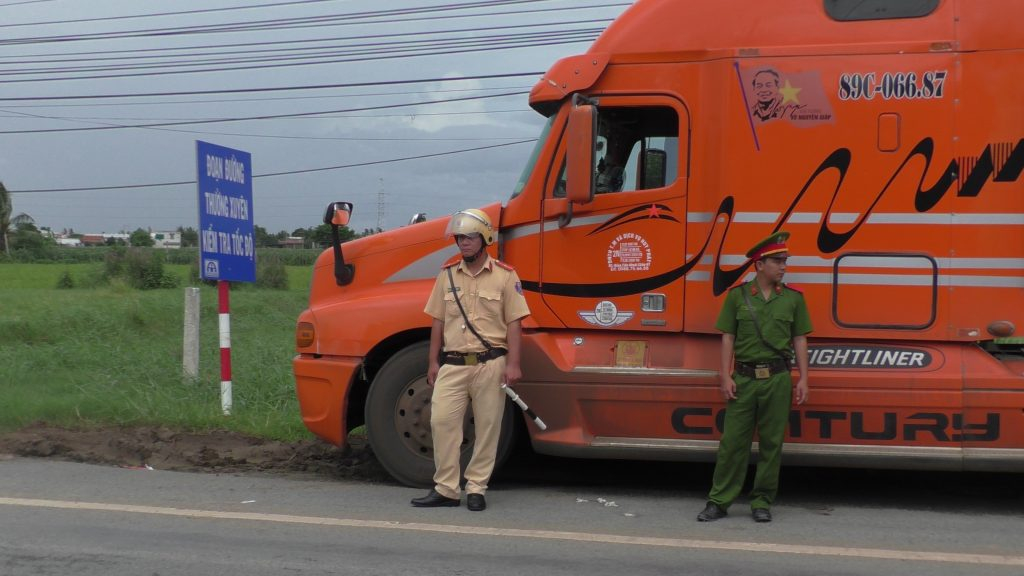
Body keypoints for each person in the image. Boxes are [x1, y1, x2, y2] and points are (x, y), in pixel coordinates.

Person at [410, 208, 530, 512]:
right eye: (460, 237)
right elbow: (437, 320)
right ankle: (447, 489)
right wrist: (432, 362)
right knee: (441, 422)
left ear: (484, 239)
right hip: (452, 363)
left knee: (488, 427)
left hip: (490, 364)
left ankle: (477, 487)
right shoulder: (447, 275)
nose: (463, 242)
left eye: (470, 237)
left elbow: (515, 322)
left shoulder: (505, 275)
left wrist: (513, 364)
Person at [697, 231, 811, 523]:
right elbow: (727, 337)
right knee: (733, 443)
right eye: (777, 261)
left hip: (778, 378)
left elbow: (799, 339)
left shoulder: (794, 299)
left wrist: (804, 378)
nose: (783, 266)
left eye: (785, 261)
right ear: (760, 264)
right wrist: (725, 375)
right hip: (744, 378)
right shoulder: (737, 296)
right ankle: (719, 501)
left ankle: (762, 501)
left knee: (772, 444)